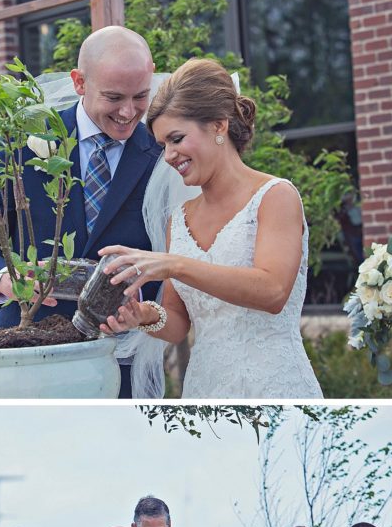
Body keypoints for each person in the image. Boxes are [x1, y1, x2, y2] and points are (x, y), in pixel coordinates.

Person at [0, 26, 161, 398]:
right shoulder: (20, 141)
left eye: (140, 96)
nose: (129, 112)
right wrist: (4, 280)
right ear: (79, 82)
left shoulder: (164, 152)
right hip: (24, 355)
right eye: (114, 97)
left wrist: (146, 303)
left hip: (120, 361)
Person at [98, 57, 322, 399]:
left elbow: (273, 291)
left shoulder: (275, 196)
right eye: (162, 146)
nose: (169, 155)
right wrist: (141, 315)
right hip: (205, 392)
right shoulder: (181, 219)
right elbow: (177, 322)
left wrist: (174, 264)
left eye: (176, 138)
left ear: (219, 126)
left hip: (274, 388)